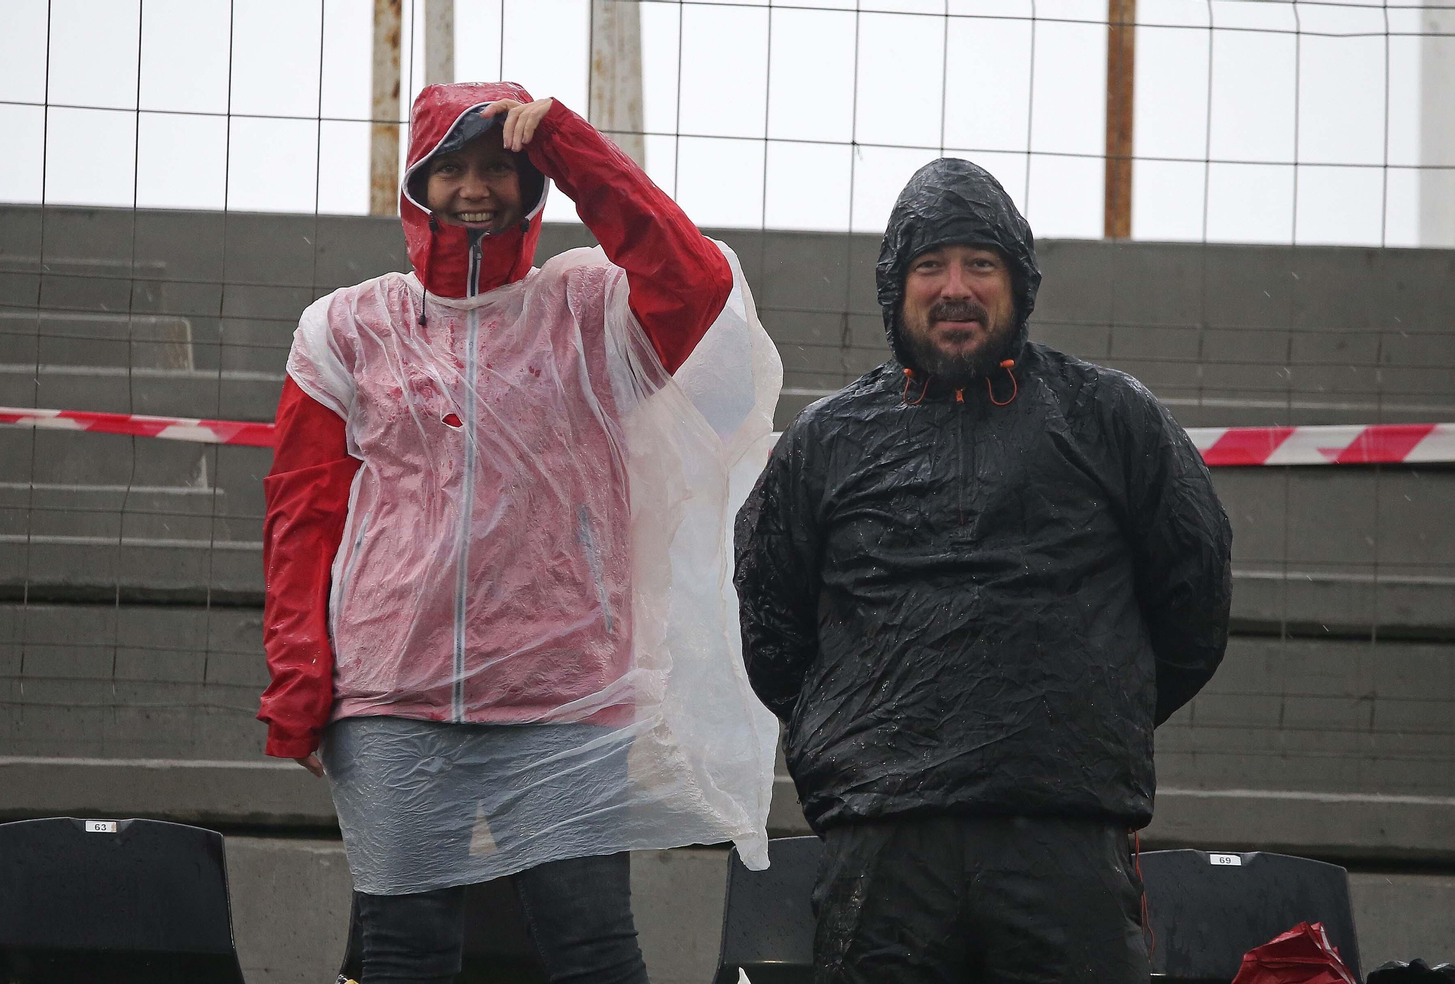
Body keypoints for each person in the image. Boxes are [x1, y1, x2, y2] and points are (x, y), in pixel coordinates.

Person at [260, 82, 781, 984]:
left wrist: (580, 155)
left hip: (562, 695)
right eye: (450, 169)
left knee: (591, 951)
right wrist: (301, 678)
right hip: (394, 695)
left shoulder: (590, 309)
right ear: (415, 186)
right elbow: (304, 510)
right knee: (403, 953)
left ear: (532, 182)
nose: (474, 189)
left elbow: (692, 286)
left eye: (498, 168)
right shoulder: (345, 329)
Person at [734, 158, 1232, 984]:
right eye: (930, 265)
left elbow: (1195, 606)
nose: (954, 287)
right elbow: (771, 627)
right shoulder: (827, 442)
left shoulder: (1113, 419)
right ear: (898, 288)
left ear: (1019, 282)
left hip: (1065, 838)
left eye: (980, 264)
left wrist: (1083, 714)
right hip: (881, 846)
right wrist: (858, 740)